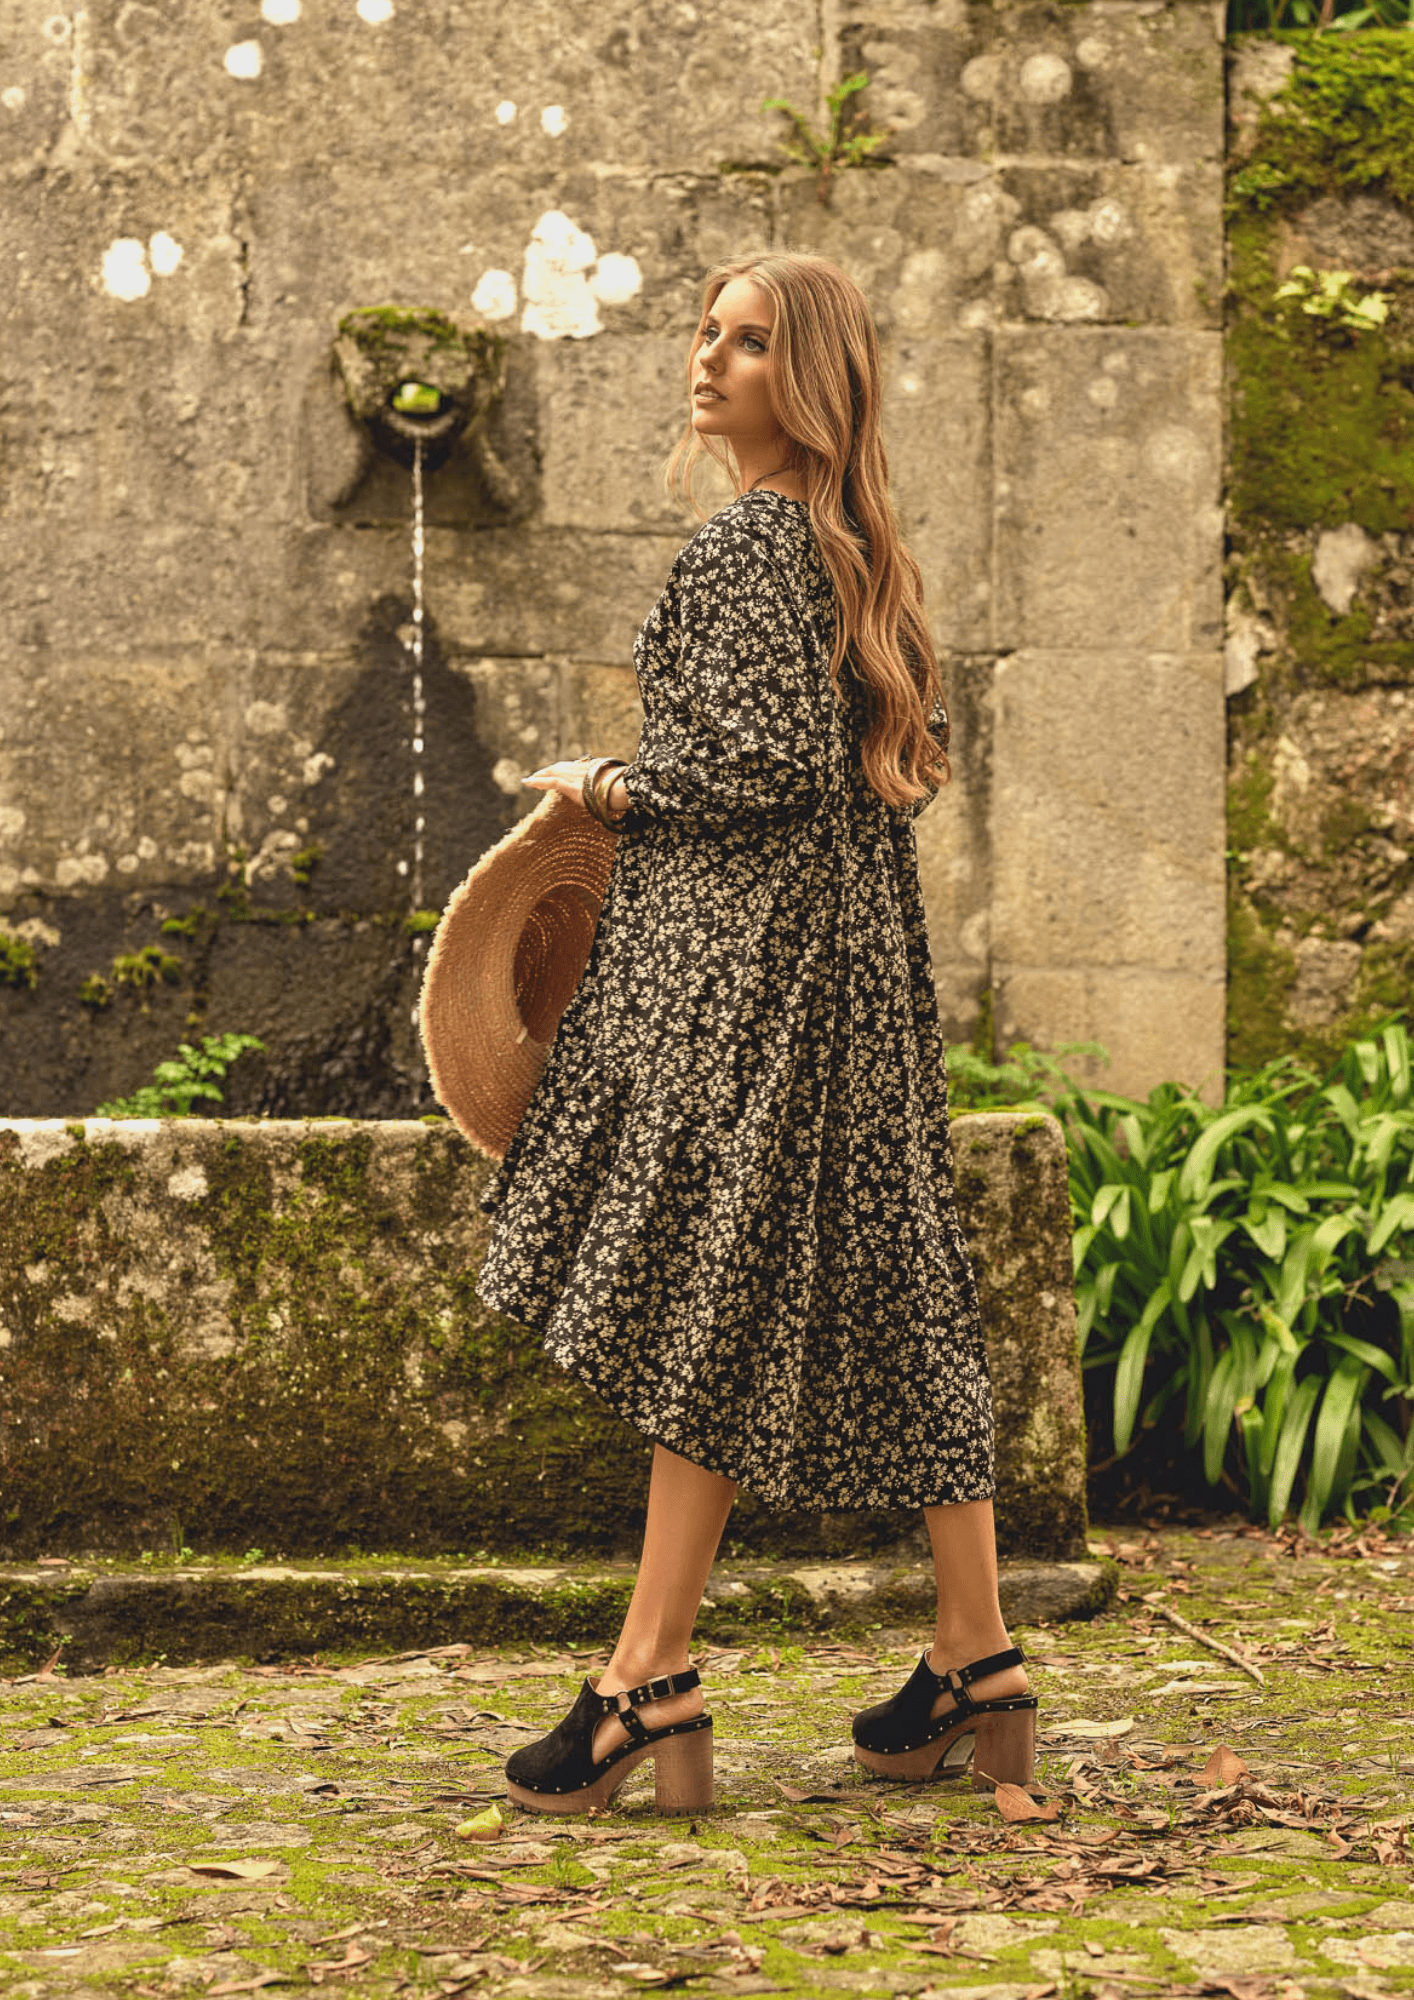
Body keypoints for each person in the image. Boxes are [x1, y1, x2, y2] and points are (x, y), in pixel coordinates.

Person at [474, 251, 1037, 1815]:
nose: (707, 360)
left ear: (809, 377)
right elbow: (890, 756)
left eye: (745, 342)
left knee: (703, 1296)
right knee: (900, 1287)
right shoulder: (856, 550)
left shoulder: (743, 542)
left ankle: (645, 1677)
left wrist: (602, 786)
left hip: (749, 976)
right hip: (856, 973)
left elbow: (752, 769)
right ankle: (975, 1652)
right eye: (704, 332)